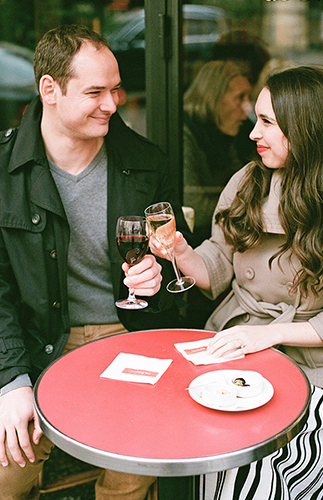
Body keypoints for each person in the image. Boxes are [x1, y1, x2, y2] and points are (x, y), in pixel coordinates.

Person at [0, 24, 190, 500]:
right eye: (95, 92)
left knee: (136, 453)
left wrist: (159, 276)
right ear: (50, 89)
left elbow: (180, 266)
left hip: (128, 335)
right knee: (7, 466)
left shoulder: (148, 162)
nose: (113, 103)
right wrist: (10, 381)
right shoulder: (4, 173)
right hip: (35, 338)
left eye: (116, 88)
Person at [151, 65, 323, 499]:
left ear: (303, 128)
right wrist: (180, 253)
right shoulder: (248, 180)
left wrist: (266, 335)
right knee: (212, 438)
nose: (252, 133)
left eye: (266, 122)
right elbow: (217, 265)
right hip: (235, 342)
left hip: (309, 361)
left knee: (272, 459)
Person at [183, 60, 255, 244]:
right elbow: (194, 208)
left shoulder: (235, 131)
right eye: (240, 97)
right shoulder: (184, 136)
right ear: (211, 98)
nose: (248, 108)